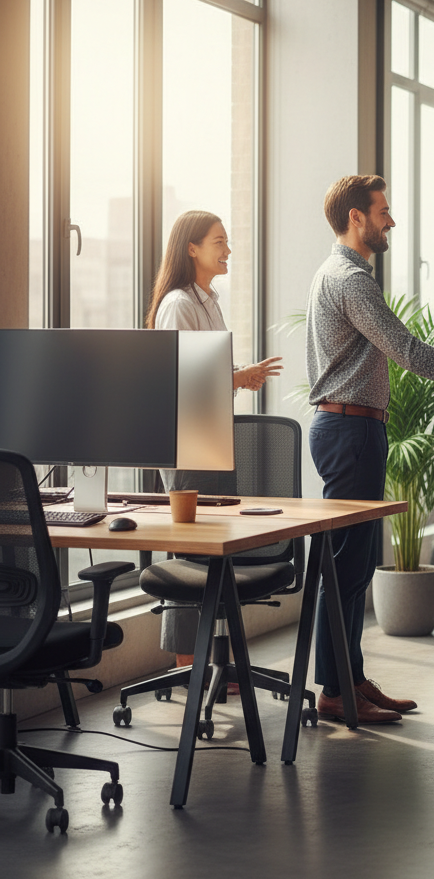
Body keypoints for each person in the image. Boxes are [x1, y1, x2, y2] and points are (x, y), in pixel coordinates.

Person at [306, 174, 434, 725]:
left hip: (356, 429)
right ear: (356, 218)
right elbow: (406, 349)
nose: (391, 221)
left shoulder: (341, 274)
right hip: (348, 431)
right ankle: (333, 690)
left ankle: (350, 677)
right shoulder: (349, 279)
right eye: (383, 212)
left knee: (355, 564)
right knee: (348, 567)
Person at [146, 209, 283, 664]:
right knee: (192, 554)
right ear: (192, 248)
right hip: (189, 443)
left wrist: (237, 377)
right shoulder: (178, 304)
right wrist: (237, 377)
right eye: (219, 242)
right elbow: (180, 381)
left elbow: (207, 371)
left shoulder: (208, 300)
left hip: (212, 439)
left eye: (227, 242)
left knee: (216, 551)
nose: (228, 251)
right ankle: (188, 667)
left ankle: (214, 661)